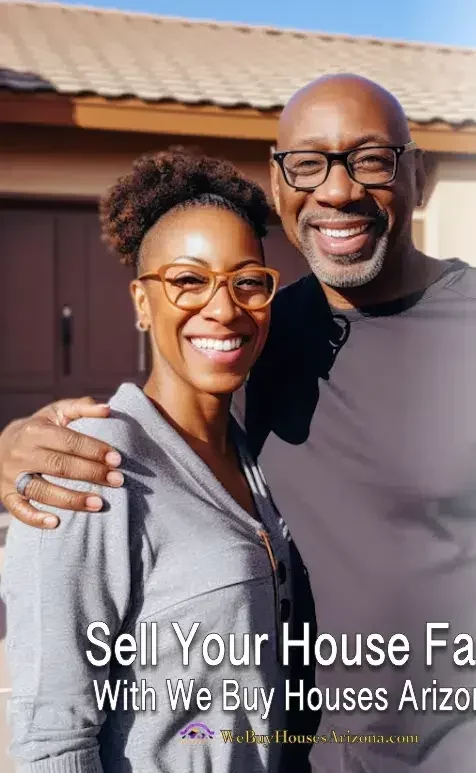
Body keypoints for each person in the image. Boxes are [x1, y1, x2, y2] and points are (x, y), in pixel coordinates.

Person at [0, 74, 476, 772]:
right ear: (280, 186)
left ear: (420, 176)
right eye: (308, 164)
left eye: (371, 159)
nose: (337, 190)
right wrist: (11, 446)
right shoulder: (251, 347)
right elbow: (52, 727)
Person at [0, 149, 301, 773]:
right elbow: (52, 737)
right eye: (188, 280)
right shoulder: (89, 466)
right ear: (142, 302)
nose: (223, 307)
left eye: (247, 280)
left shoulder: (252, 459)